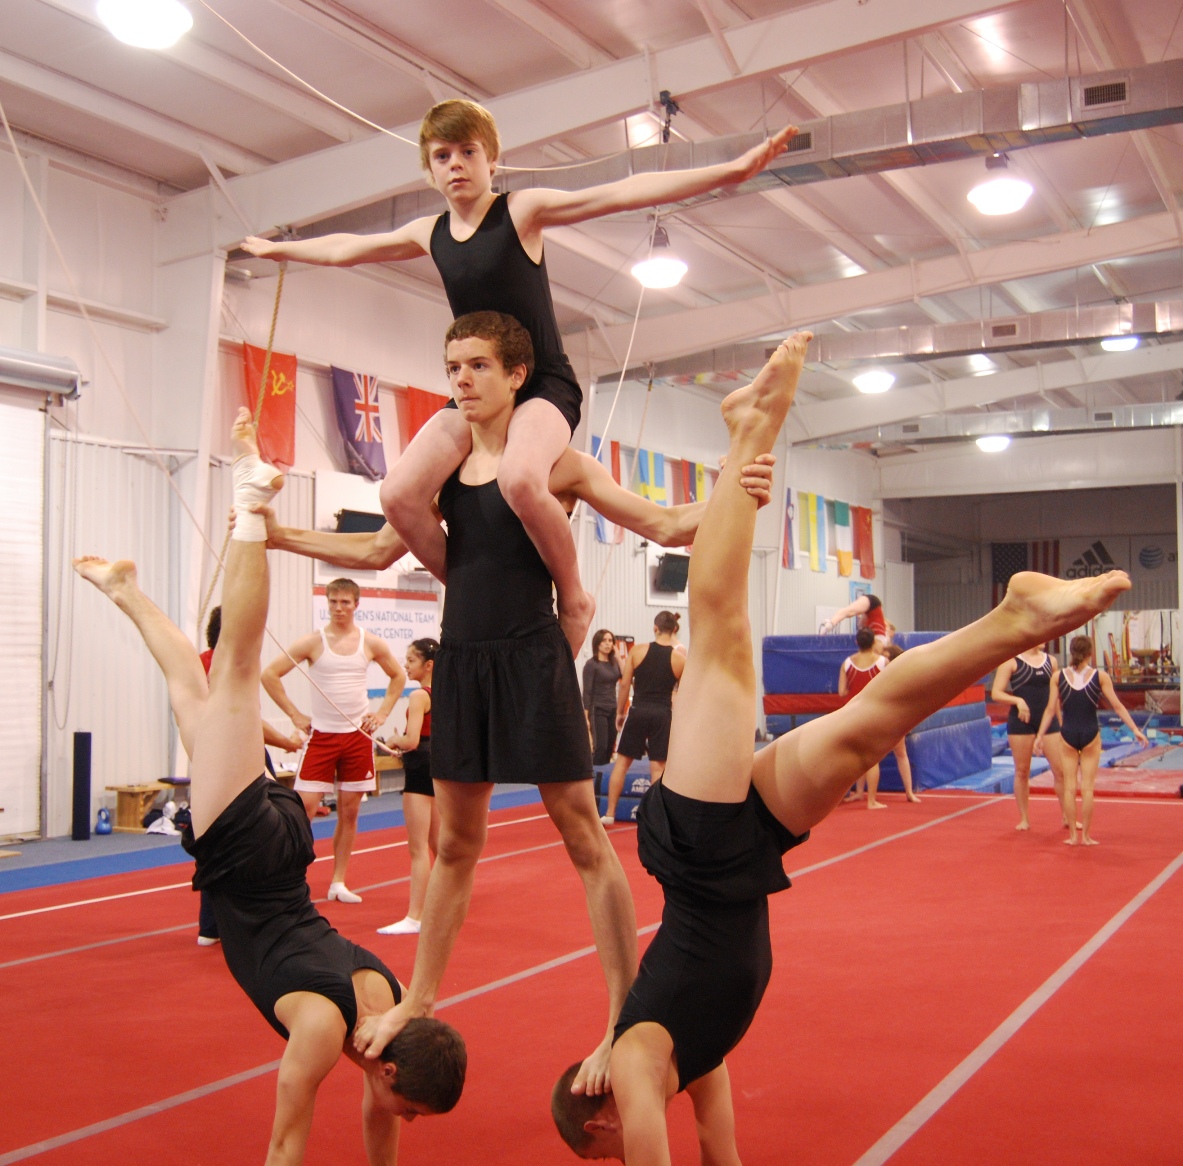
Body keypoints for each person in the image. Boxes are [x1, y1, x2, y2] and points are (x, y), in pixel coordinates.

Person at [546, 334, 1132, 1163]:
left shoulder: (638, 1065)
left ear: (599, 1116)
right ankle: (1014, 618)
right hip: (740, 854)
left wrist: (615, 1055)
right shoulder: (690, 1062)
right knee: (872, 725)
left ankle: (751, 426)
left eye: (608, 1152)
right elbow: (721, 1152)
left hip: (697, 849)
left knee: (722, 639)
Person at [244, 100, 799, 654]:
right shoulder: (429, 232)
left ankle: (574, 596)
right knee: (398, 493)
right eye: (442, 156)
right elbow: (346, 248)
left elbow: (618, 192)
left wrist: (730, 171)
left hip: (543, 386)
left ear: (492, 160)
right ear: (429, 169)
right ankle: (470, 588)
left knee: (517, 477)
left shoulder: (520, 211)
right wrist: (280, 249)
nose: (456, 165)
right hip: (483, 398)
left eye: (468, 152)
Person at [74, 409, 466, 1164]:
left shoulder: (390, 1006)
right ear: (389, 1068)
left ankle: (125, 592)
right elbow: (284, 1147)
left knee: (193, 695)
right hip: (251, 858)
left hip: (284, 852)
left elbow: (380, 1120)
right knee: (232, 672)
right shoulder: (326, 1031)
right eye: (412, 1109)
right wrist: (252, 515)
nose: (405, 1120)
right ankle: (251, 502)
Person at [262, 579, 407, 904]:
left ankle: (338, 881)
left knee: (350, 811)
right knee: (302, 810)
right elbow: (269, 675)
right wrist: (295, 715)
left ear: (356, 605)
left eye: (345, 602)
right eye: (333, 602)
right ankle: (289, 880)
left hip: (357, 737)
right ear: (327, 603)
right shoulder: (312, 642)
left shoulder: (370, 643)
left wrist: (382, 713)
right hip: (323, 737)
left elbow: (398, 676)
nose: (339, 608)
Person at [197, 605, 307, 946]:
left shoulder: (201, 663)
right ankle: (265, 914)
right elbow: (246, 721)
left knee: (217, 837)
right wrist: (287, 741)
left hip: (209, 758)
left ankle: (211, 925)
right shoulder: (229, 667)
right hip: (240, 757)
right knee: (268, 831)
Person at [1036, 635, 1147, 846]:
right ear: (1090, 653)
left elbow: (1050, 709)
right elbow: (1118, 706)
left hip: (1067, 734)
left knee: (1069, 788)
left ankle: (1073, 837)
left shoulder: (1058, 677)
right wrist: (1135, 729)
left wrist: (1040, 736)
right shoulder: (1100, 676)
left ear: (1071, 652)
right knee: (1087, 788)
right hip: (1090, 734)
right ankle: (1086, 837)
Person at [378, 638, 440, 936]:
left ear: (428, 665)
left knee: (418, 849)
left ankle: (415, 916)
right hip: (439, 766)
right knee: (439, 844)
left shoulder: (419, 696)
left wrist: (394, 741)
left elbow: (412, 740)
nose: (405, 665)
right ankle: (444, 903)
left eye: (411, 660)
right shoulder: (447, 692)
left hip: (420, 769)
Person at [601, 613, 685, 824]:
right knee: (657, 767)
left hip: (639, 711)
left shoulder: (637, 651)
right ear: (674, 630)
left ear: (655, 628)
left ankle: (610, 813)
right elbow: (684, 694)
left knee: (622, 763)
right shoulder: (680, 660)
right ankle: (655, 818)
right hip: (662, 714)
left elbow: (624, 684)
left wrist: (620, 713)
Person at [993, 643, 1066, 831]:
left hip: (1048, 721)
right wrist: (1017, 700)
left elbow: (1055, 696)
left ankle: (1067, 815)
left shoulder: (1051, 661)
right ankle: (1024, 818)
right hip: (1021, 720)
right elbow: (996, 693)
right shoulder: (1011, 661)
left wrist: (1060, 721)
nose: (1044, 640)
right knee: (1022, 771)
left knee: (1060, 770)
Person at [838, 627, 889, 809]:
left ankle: (859, 791)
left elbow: (842, 692)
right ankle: (871, 800)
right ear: (874, 642)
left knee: (856, 755)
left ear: (856, 642)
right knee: (872, 757)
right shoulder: (882, 662)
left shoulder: (847, 663)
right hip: (873, 713)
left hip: (852, 713)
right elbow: (890, 686)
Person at [880, 642, 920, 804]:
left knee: (901, 752)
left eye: (885, 657)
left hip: (894, 715)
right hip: (884, 714)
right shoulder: (882, 672)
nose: (882, 659)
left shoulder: (901, 674)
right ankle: (862, 792)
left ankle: (909, 792)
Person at [583, 630, 622, 768]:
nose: (608, 644)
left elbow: (625, 676)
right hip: (597, 709)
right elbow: (587, 691)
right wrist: (586, 716)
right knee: (601, 747)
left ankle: (603, 775)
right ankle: (595, 775)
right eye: (604, 640)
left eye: (610, 641)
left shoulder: (614, 663)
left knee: (610, 746)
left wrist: (618, 657)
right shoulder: (591, 664)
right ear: (597, 643)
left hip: (613, 708)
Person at [820, 592, 888, 637]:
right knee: (849, 612)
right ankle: (830, 623)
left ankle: (830, 623)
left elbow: (861, 625)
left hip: (872, 606)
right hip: (873, 602)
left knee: (850, 614)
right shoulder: (882, 634)